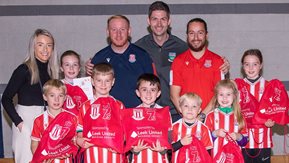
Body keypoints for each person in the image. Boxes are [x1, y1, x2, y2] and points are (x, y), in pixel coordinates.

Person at [1, 28, 59, 163]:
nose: (45, 49)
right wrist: (19, 123)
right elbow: (6, 98)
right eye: (40, 44)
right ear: (33, 47)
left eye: (49, 45)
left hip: (47, 119)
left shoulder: (52, 72)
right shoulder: (24, 69)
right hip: (26, 120)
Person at [85, 15, 156, 108]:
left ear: (129, 31)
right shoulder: (99, 58)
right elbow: (90, 90)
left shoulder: (143, 56)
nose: (118, 34)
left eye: (122, 29)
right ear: (108, 32)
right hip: (107, 115)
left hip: (137, 115)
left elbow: (153, 87)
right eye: (114, 30)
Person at [134, 1, 188, 121]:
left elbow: (199, 63)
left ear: (169, 21)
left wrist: (223, 64)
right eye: (154, 19)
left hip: (176, 112)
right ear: (148, 21)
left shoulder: (182, 47)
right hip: (149, 111)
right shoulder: (138, 47)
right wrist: (94, 64)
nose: (159, 24)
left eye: (163, 19)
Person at [170, 18, 227, 119]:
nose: (196, 37)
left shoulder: (218, 61)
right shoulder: (178, 61)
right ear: (187, 36)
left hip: (212, 120)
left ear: (206, 35)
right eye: (192, 33)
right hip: (186, 120)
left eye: (200, 33)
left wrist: (202, 116)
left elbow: (219, 94)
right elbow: (174, 95)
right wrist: (188, 116)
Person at [77, 63, 125, 162]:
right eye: (99, 80)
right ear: (92, 81)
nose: (103, 85)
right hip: (92, 155)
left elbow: (125, 131)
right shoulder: (85, 106)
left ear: (113, 82)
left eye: (107, 81)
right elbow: (79, 130)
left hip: (114, 156)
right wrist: (80, 140)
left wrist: (120, 142)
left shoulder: (119, 105)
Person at [237, 49, 274, 163]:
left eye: (255, 64)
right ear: (243, 66)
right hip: (242, 140)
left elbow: (274, 110)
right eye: (247, 64)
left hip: (263, 140)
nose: (251, 68)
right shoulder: (237, 86)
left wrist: (272, 120)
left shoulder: (269, 86)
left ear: (261, 65)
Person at [31, 79, 77, 163]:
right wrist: (41, 159)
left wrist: (70, 151)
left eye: (60, 96)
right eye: (52, 95)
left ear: (65, 97)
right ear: (45, 97)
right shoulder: (39, 120)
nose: (57, 99)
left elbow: (75, 141)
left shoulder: (72, 118)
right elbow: (34, 144)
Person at [131, 73, 170, 162]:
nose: (148, 93)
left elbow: (169, 137)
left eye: (153, 90)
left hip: (160, 159)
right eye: (144, 89)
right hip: (139, 159)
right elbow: (130, 137)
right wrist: (135, 150)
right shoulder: (132, 113)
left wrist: (163, 150)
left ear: (158, 93)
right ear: (138, 93)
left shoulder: (164, 113)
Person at [205, 79, 248, 157]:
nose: (224, 98)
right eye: (221, 94)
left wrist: (238, 136)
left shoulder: (239, 116)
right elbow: (205, 140)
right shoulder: (211, 116)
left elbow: (245, 141)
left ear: (234, 96)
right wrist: (215, 133)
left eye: (228, 94)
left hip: (235, 158)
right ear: (216, 96)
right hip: (216, 158)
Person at [171, 92, 213, 163]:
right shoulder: (174, 127)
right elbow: (168, 150)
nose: (190, 109)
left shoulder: (204, 128)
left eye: (194, 106)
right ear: (180, 109)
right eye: (186, 106)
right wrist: (180, 143)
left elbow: (207, 152)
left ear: (199, 110)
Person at [60, 50, 88, 115]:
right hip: (63, 120)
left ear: (79, 68)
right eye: (67, 65)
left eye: (75, 65)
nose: (71, 68)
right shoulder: (57, 85)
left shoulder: (85, 85)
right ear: (61, 68)